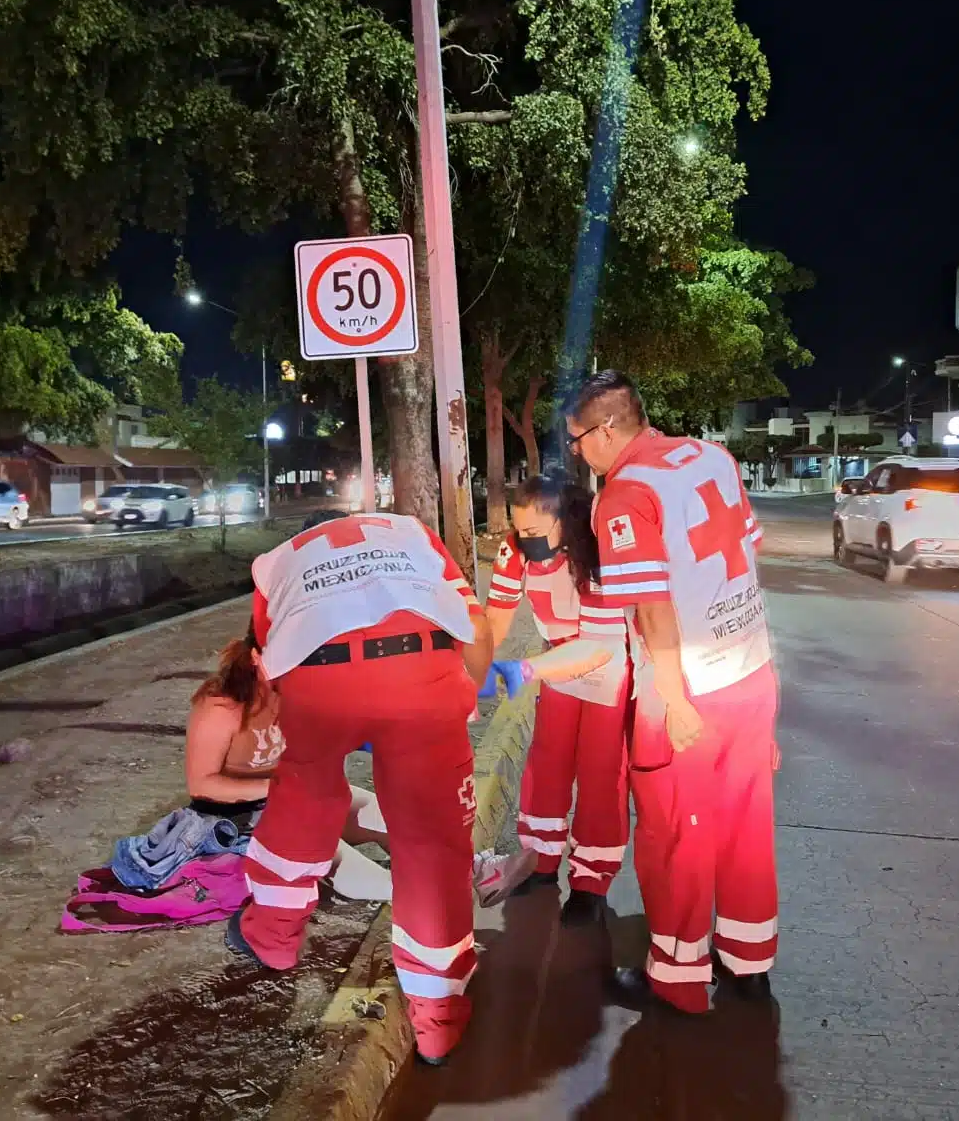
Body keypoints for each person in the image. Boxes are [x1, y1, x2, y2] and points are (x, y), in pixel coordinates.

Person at [223, 508, 495, 1065]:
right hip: (422, 671)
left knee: (305, 797)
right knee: (432, 846)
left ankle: (272, 937)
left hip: (316, 681)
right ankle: (438, 1024)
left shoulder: (278, 562)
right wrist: (462, 696)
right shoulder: (411, 533)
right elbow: (477, 623)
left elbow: (265, 664)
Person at [564, 370, 779, 1014]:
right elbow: (746, 558)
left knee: (676, 835)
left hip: (684, 692)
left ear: (605, 430)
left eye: (578, 439)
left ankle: (677, 982)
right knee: (745, 825)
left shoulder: (625, 494)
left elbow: (653, 608)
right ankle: (748, 963)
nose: (577, 452)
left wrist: (674, 698)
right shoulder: (710, 456)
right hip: (750, 673)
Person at [187, 634, 537, 904]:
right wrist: (278, 787)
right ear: (256, 657)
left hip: (297, 799)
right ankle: (426, 895)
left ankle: (474, 871)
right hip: (235, 818)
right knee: (340, 861)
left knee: (390, 813)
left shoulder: (307, 689)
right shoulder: (221, 705)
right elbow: (202, 785)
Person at [482, 474, 632, 926]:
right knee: (546, 766)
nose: (524, 542)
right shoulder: (515, 551)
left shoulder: (598, 550)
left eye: (534, 532)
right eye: (519, 531)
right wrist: (475, 672)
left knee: (601, 774)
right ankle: (540, 863)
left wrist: (522, 670)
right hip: (556, 665)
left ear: (565, 522)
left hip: (606, 667)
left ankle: (590, 883)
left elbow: (597, 646)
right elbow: (496, 619)